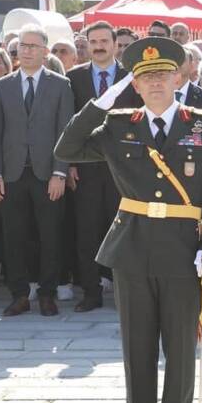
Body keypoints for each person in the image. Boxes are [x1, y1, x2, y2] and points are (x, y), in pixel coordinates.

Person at [55, 37, 202, 403]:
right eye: (145, 77)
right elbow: (67, 148)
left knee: (181, 349)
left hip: (183, 250)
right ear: (134, 82)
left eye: (162, 75)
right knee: (137, 347)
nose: (155, 84)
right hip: (132, 249)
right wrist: (102, 102)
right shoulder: (118, 124)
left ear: (179, 76)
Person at [0, 25, 75, 317]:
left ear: (44, 51)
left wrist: (60, 173)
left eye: (32, 46)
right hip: (11, 175)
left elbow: (66, 132)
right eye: (22, 46)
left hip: (47, 174)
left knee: (50, 236)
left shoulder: (60, 85)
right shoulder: (2, 85)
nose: (26, 51)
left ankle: (47, 294)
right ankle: (20, 294)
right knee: (14, 238)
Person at [65, 22, 142, 312]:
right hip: (86, 168)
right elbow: (67, 125)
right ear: (86, 45)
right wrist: (69, 163)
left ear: (114, 44)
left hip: (125, 169)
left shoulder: (131, 78)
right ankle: (91, 292)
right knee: (87, 232)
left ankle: (126, 293)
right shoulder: (72, 79)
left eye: (103, 41)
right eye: (92, 41)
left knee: (125, 232)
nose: (98, 46)